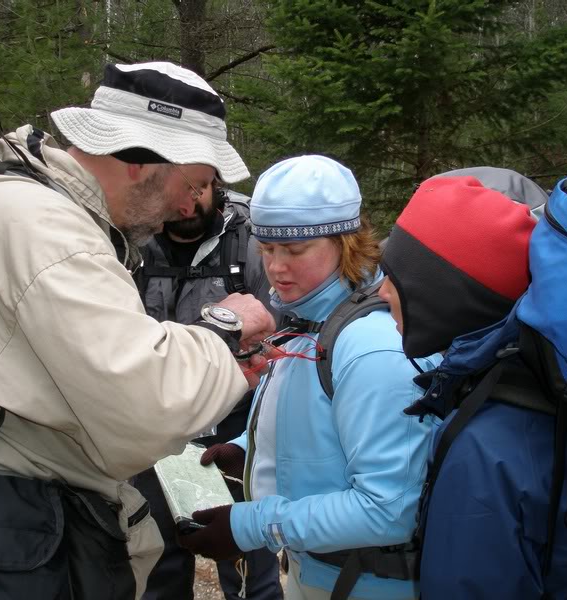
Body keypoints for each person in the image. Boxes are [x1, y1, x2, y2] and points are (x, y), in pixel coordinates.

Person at [0, 61, 276, 598]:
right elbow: (146, 400)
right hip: (7, 535)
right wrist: (226, 328)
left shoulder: (24, 209)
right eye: (192, 183)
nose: (191, 204)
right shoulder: (46, 231)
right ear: (143, 161)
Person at [178, 155, 441, 600]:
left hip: (369, 585)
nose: (277, 267)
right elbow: (323, 426)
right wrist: (246, 451)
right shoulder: (309, 323)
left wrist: (250, 526)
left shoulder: (372, 346)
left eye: (295, 250)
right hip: (320, 570)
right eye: (266, 248)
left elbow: (389, 510)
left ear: (346, 242)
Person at [377, 168, 567, 599]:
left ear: (447, 294)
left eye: (396, 275)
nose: (381, 292)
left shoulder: (486, 448)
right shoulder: (536, 389)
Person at [132, 186, 283, 600]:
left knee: (249, 556)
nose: (186, 202)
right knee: (158, 551)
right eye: (179, 189)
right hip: (157, 421)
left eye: (198, 189)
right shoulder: (134, 244)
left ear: (215, 185)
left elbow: (279, 328)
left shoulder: (249, 241)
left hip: (236, 419)